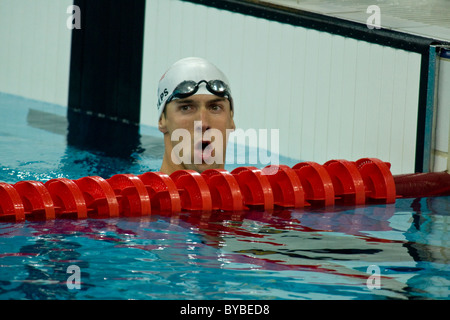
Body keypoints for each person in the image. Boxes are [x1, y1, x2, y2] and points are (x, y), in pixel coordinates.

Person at [157, 57, 235, 175]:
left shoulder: (256, 191)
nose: (202, 123)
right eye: (186, 108)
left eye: (215, 108)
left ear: (231, 119)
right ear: (162, 119)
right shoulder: (126, 193)